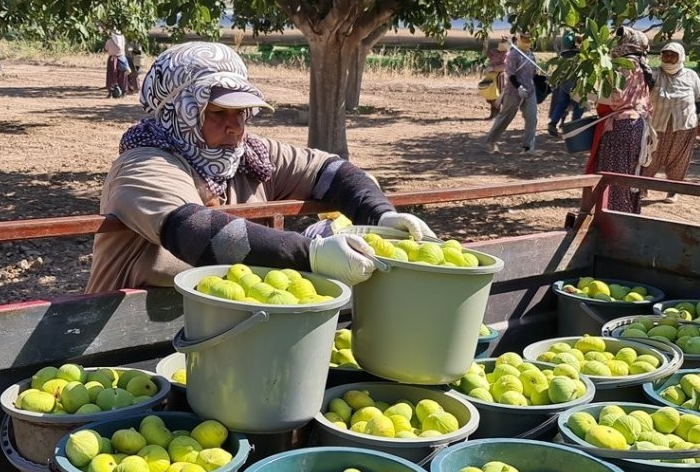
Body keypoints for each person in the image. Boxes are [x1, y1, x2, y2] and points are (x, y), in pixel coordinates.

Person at [85, 42, 436, 294]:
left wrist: (380, 214)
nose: (235, 126)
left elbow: (329, 171)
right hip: (126, 338)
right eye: (218, 113)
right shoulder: (144, 164)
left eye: (241, 112)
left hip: (224, 320)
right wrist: (309, 253)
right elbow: (192, 230)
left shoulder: (251, 155)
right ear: (179, 112)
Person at [583, 26, 655, 214]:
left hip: (621, 126)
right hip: (637, 125)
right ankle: (629, 215)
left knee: (614, 174)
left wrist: (590, 95)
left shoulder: (626, 65)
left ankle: (614, 215)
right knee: (629, 173)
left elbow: (616, 98)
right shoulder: (642, 65)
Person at [642, 42, 700, 204]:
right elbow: (644, 89)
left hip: (684, 125)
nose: (668, 57)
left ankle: (673, 192)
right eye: (665, 54)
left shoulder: (691, 75)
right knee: (651, 155)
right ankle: (643, 187)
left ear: (681, 57)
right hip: (657, 124)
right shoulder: (655, 74)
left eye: (673, 55)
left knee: (679, 159)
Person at [484, 33, 539, 155]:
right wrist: (519, 87)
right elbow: (511, 73)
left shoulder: (531, 55)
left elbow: (533, 73)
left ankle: (528, 146)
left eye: (529, 38)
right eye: (524, 38)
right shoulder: (513, 55)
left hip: (530, 90)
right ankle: (491, 141)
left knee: (532, 117)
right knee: (506, 116)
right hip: (513, 90)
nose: (527, 40)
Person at [547, 30, 584, 137]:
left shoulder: (563, 55)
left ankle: (553, 123)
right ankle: (574, 127)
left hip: (564, 83)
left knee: (562, 104)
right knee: (579, 106)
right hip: (575, 84)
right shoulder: (578, 55)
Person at [481, 36, 511, 119]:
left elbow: (505, 66)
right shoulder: (494, 51)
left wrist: (492, 68)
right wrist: (485, 45)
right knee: (491, 95)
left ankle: (499, 115)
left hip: (500, 77)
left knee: (498, 95)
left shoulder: (507, 54)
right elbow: (485, 53)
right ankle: (494, 114)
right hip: (492, 76)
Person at [104, 30, 127, 98]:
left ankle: (110, 92)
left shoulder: (109, 41)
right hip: (122, 58)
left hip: (112, 59)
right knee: (123, 76)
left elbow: (106, 49)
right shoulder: (123, 39)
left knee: (111, 75)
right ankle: (123, 92)